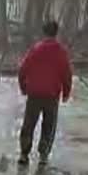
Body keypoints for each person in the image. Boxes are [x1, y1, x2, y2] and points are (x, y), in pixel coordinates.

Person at [17, 20, 73, 165]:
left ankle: (24, 153)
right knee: (49, 125)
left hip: (34, 93)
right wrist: (66, 92)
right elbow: (66, 74)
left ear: (44, 32)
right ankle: (43, 155)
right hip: (51, 95)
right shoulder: (61, 51)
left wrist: (23, 87)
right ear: (56, 33)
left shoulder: (35, 49)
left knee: (29, 124)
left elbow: (23, 69)